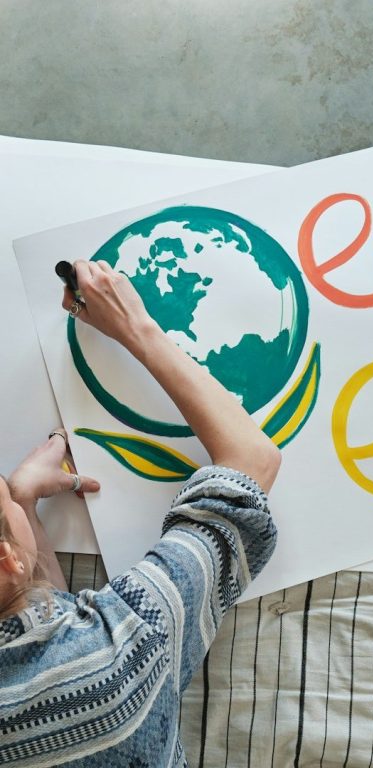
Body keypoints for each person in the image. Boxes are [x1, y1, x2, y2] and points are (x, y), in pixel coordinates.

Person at [0, 260, 281, 767]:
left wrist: (19, 509)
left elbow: (45, 650)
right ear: (7, 561)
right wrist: (135, 326)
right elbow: (251, 462)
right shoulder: (116, 654)